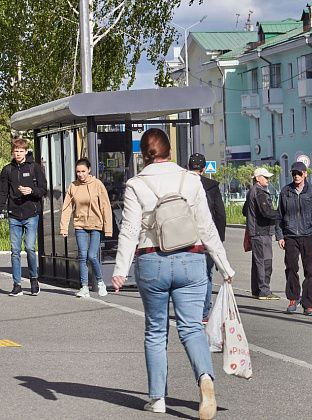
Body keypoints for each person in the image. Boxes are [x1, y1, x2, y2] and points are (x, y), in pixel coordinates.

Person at [111, 128, 233, 419]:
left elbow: (128, 230)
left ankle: (157, 399)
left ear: (144, 155)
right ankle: (205, 379)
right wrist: (224, 266)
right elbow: (206, 227)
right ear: (170, 150)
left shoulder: (135, 185)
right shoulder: (190, 180)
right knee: (191, 328)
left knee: (155, 330)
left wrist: (119, 270)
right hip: (191, 259)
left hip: (151, 261)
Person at [276, 161, 312, 316]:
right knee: (291, 268)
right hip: (290, 235)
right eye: (293, 173)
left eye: (299, 173)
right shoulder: (285, 191)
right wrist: (279, 236)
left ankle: (308, 305)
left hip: (309, 235)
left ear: (305, 174)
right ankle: (292, 299)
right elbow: (279, 216)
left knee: (310, 271)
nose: (296, 176)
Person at [0, 138, 47, 297]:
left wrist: (31, 191)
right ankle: (17, 284)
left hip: (31, 213)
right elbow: (3, 192)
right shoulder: (7, 170)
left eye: (21, 151)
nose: (18, 153)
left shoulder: (34, 168)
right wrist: (1, 209)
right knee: (15, 250)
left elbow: (43, 190)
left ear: (26, 151)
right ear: (13, 152)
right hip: (14, 214)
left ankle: (34, 279)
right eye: (16, 151)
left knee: (29, 248)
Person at [59, 158, 113, 298]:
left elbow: (105, 206)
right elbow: (67, 208)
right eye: (78, 172)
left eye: (83, 171)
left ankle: (100, 282)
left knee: (91, 255)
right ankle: (84, 287)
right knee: (82, 256)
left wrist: (108, 229)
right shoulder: (73, 186)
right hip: (80, 225)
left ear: (89, 170)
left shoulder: (97, 185)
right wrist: (63, 227)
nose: (81, 174)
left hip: (96, 224)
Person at [188, 153, 226, 322]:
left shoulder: (183, 185)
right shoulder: (211, 187)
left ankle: (191, 311)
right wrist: (219, 241)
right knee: (206, 275)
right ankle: (204, 313)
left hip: (187, 239)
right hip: (208, 238)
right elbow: (221, 216)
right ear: (204, 169)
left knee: (189, 276)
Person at [244, 167, 280, 300]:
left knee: (257, 261)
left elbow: (244, 211)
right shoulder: (259, 192)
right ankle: (264, 291)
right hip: (261, 231)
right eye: (265, 177)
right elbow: (266, 212)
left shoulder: (252, 191)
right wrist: (282, 213)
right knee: (265, 261)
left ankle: (256, 290)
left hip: (256, 231)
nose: (268, 180)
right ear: (258, 178)